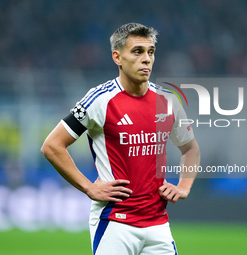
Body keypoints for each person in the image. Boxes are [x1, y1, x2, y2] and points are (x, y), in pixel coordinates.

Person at [41, 22, 200, 255]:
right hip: (115, 221)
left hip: (158, 224)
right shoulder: (99, 100)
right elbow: (52, 146)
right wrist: (88, 187)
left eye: (151, 52)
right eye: (137, 51)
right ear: (117, 57)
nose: (146, 59)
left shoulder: (167, 100)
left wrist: (184, 186)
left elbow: (190, 149)